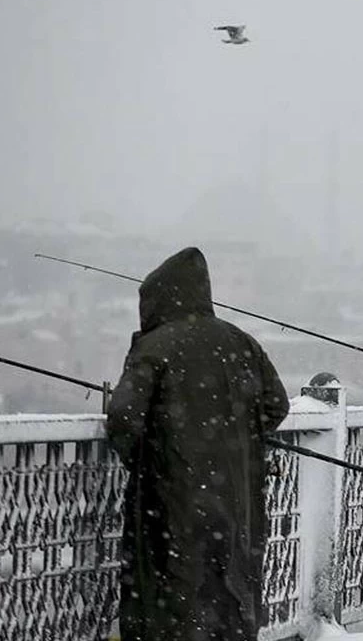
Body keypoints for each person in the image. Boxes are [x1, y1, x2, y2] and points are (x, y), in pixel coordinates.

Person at [107, 247, 289, 641]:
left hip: (171, 500)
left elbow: (124, 417)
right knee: (231, 593)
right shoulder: (242, 343)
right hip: (236, 499)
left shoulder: (155, 346)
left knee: (173, 595)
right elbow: (277, 405)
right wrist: (234, 436)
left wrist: (148, 454)